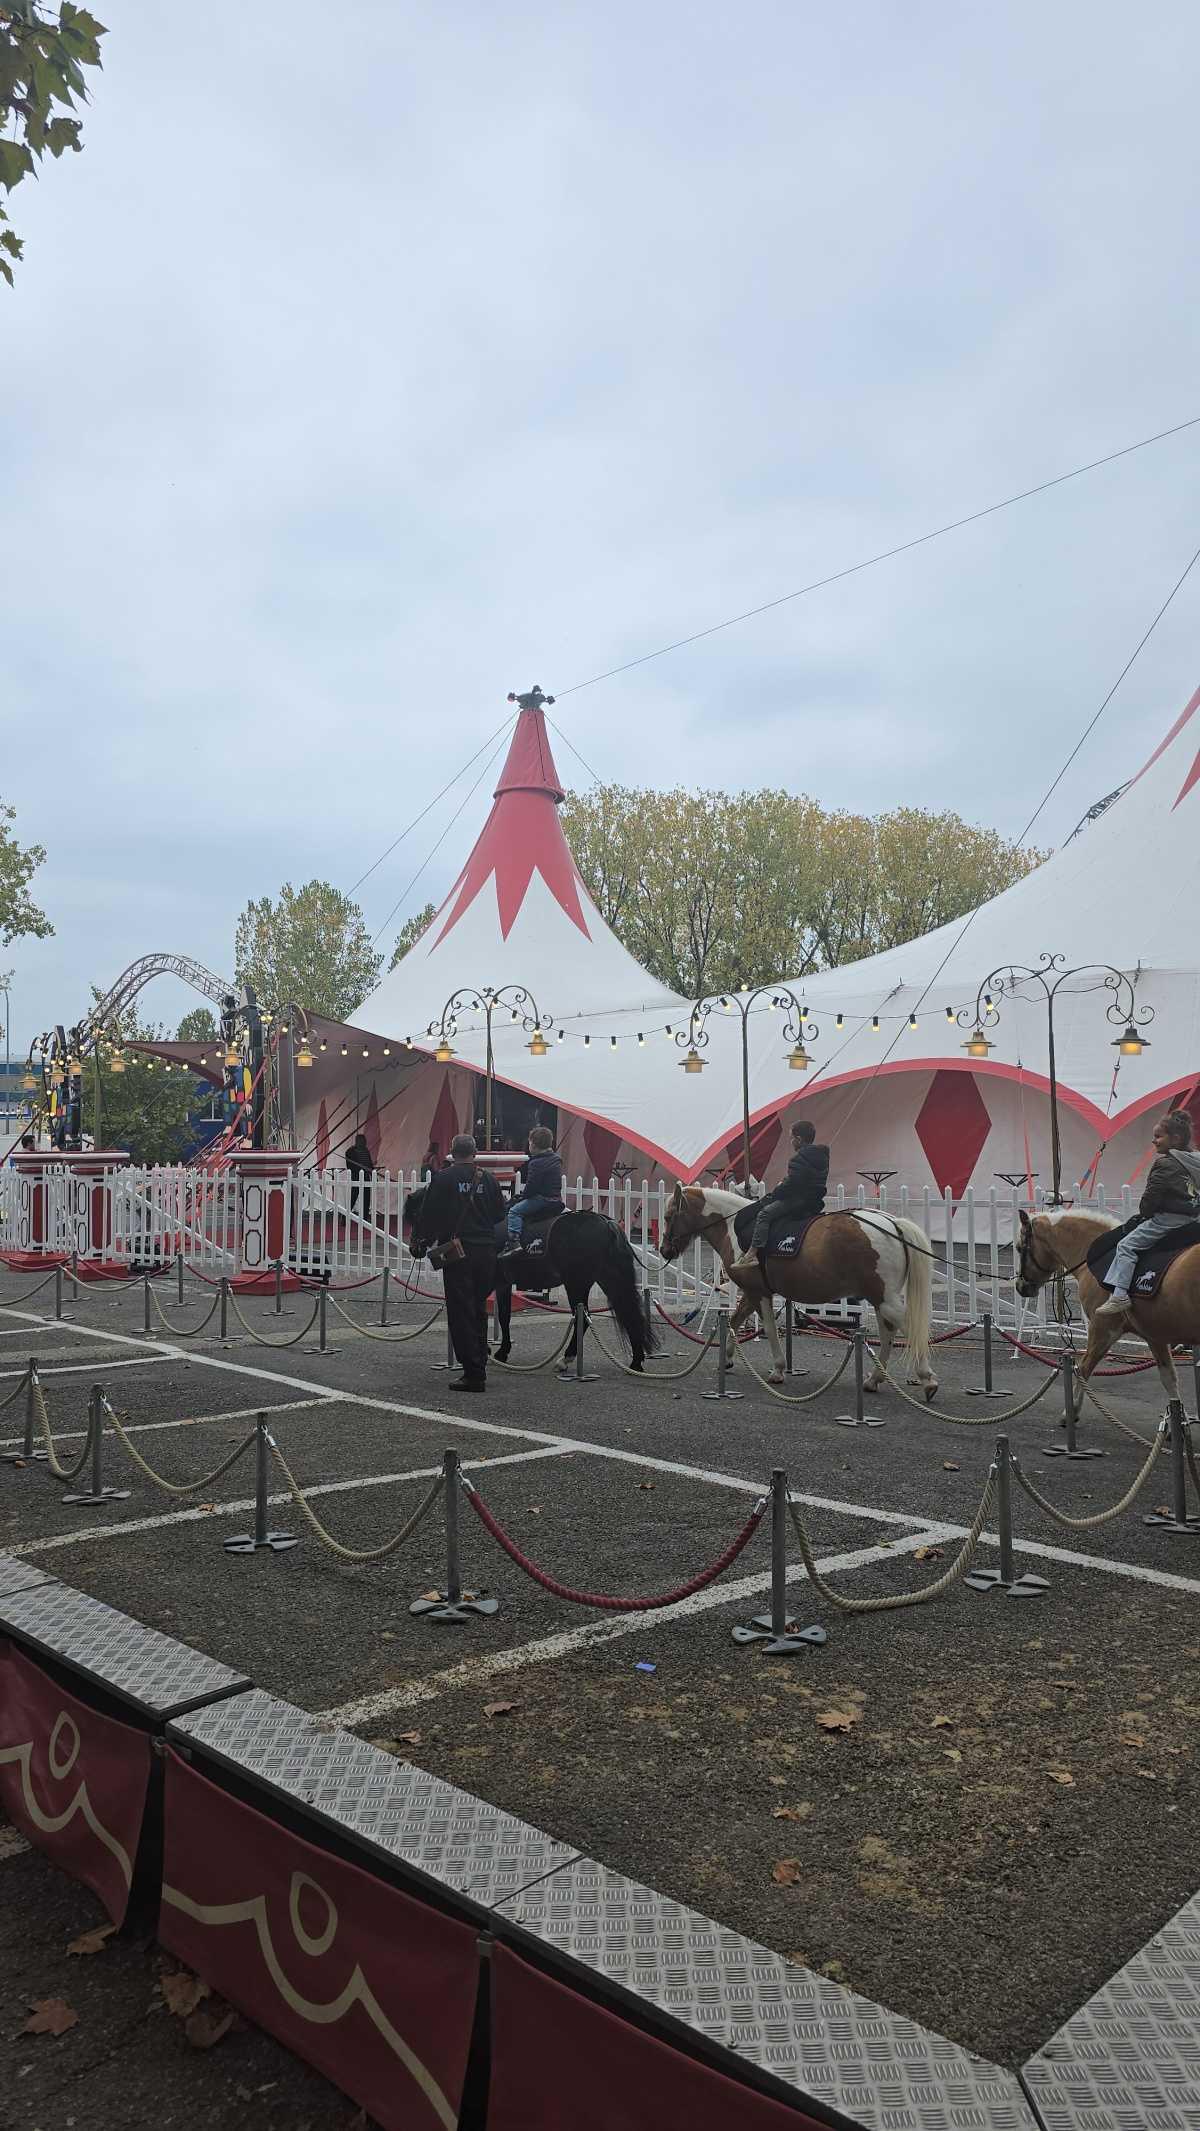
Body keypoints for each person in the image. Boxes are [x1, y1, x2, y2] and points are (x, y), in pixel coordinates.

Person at [410, 1133, 504, 1391]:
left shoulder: (443, 1179)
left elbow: (429, 1215)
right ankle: (480, 1360)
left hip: (459, 1251)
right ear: (474, 1152)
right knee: (478, 1309)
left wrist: (422, 1242)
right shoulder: (489, 1179)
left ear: (453, 1152)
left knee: (461, 1312)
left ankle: (473, 1373)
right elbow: (499, 1215)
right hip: (486, 1251)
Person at [1096, 1110, 1200, 1319]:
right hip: (1194, 1219)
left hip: (1168, 1220)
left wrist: (1145, 1212)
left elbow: (1151, 1198)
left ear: (1176, 1138)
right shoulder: (1195, 1160)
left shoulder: (1165, 1163)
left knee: (1126, 1245)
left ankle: (1120, 1295)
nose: (1154, 1141)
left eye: (1159, 1136)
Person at [735, 1119, 829, 1279]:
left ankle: (752, 1252)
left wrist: (777, 1190)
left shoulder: (798, 1159)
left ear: (798, 1139)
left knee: (765, 1214)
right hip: (814, 1200)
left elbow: (792, 1185)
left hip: (798, 1201)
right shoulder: (821, 1156)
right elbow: (804, 1179)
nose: (791, 1141)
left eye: (792, 1138)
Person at [498, 1126, 565, 1257]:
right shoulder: (556, 1159)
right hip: (556, 1198)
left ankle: (513, 1241)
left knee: (514, 1211)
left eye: (529, 1143)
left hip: (542, 1199)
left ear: (533, 1144)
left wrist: (523, 1197)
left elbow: (532, 1186)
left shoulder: (536, 1163)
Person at [344, 1130, 375, 1222]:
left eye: (364, 1141)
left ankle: (365, 1218)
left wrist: (372, 1173)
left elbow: (369, 1163)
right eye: (362, 1141)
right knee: (353, 1197)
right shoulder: (350, 1151)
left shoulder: (366, 1150)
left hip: (366, 1177)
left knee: (366, 1197)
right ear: (358, 1141)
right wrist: (358, 1170)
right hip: (356, 1177)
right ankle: (345, 1218)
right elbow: (350, 1166)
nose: (364, 1142)